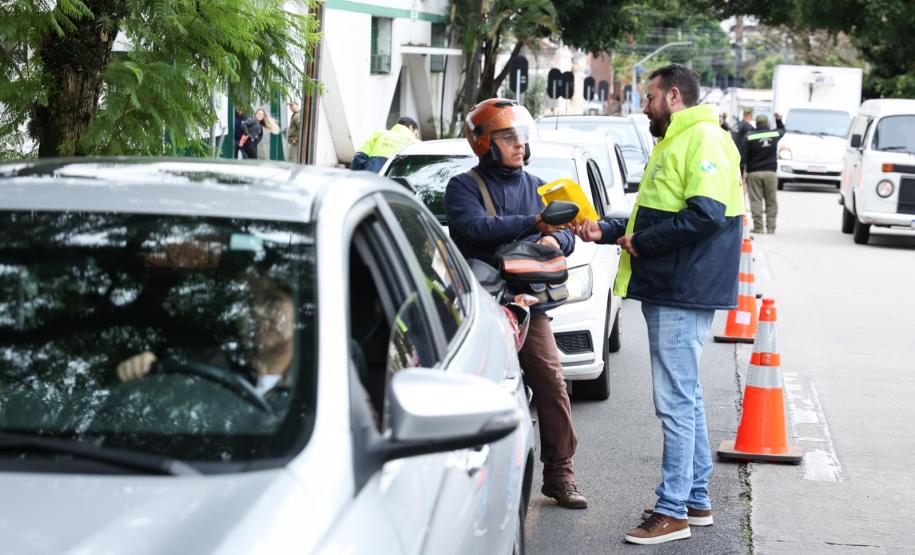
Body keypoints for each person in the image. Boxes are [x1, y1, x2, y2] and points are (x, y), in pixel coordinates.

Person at [572, 64, 744, 544]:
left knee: (674, 401)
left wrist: (643, 245)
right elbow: (658, 214)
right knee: (684, 397)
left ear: (672, 96)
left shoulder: (703, 139)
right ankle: (694, 497)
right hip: (674, 284)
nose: (643, 106)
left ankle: (673, 512)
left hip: (681, 288)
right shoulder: (682, 139)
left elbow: (705, 217)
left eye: (649, 98)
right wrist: (606, 230)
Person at [443, 98, 587, 509]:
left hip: (531, 302)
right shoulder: (464, 186)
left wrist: (553, 237)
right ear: (483, 143)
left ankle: (560, 473)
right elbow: (473, 227)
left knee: (552, 381)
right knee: (476, 388)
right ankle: (467, 476)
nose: (519, 145)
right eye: (508, 138)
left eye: (521, 137)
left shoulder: (538, 185)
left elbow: (568, 233)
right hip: (482, 304)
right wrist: (534, 223)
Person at [117, 280, 295, 398]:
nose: (258, 313)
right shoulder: (208, 362)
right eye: (247, 305)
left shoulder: (315, 386)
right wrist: (146, 368)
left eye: (272, 302)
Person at [741, 114, 785, 234]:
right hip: (770, 173)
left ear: (757, 124)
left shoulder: (749, 137)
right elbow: (782, 130)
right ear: (767, 124)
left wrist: (741, 174)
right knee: (771, 201)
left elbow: (743, 157)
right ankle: (771, 228)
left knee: (756, 201)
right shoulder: (774, 134)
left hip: (754, 173)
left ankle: (759, 228)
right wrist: (779, 120)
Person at [350, 117, 420, 172]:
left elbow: (359, 158)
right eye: (416, 134)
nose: (415, 137)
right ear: (411, 127)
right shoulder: (416, 144)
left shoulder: (379, 134)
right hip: (399, 188)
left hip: (373, 183)